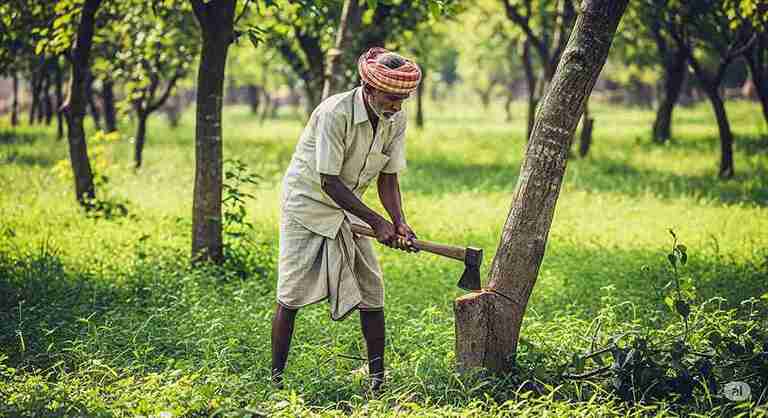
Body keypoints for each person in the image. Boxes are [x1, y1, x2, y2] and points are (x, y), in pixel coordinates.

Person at [271, 47, 422, 392]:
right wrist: (376, 222)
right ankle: (275, 382)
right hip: (306, 205)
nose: (397, 105)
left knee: (373, 292)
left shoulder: (395, 119)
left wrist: (399, 221)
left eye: (403, 98)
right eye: (391, 96)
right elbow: (329, 181)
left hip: (347, 208)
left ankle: (377, 384)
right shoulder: (334, 113)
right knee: (290, 294)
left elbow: (388, 176)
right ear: (368, 88)